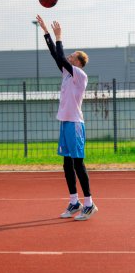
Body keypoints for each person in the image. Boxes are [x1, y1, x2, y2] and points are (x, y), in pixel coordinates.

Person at [36, 15, 98, 221]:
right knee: (66, 164)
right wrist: (46, 32)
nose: (69, 56)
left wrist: (59, 35)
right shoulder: (66, 74)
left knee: (78, 164)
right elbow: (56, 55)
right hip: (65, 122)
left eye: (73, 55)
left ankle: (89, 204)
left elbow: (61, 57)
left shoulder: (80, 75)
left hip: (75, 124)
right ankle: (74, 202)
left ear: (79, 62)